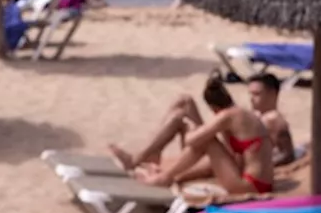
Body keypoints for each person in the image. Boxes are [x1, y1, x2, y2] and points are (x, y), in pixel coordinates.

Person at [109, 74, 275, 195]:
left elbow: (193, 140)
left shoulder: (229, 117)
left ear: (213, 108)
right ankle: (152, 156)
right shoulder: (237, 116)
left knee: (204, 139)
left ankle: (158, 171)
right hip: (251, 181)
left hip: (250, 186)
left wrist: (191, 127)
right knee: (184, 102)